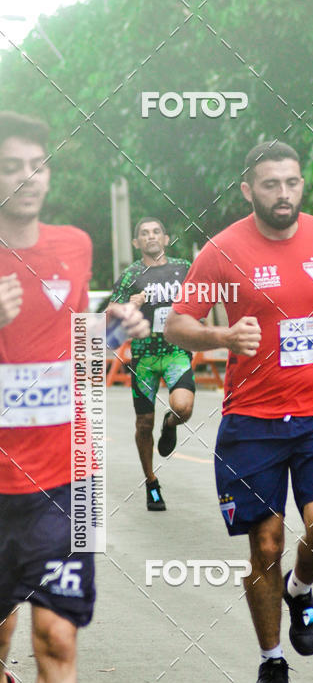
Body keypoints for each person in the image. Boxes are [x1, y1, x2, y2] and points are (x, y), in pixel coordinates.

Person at [164, 141, 313, 683]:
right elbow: (177, 325)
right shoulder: (222, 251)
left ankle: (299, 590)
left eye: (292, 182)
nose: (284, 193)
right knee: (265, 544)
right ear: (248, 190)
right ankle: (272, 662)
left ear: (303, 184)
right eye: (271, 184)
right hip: (251, 421)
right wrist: (223, 336)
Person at [0, 111, 148, 683]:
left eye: (37, 165)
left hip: (62, 480)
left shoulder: (74, 246)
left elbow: (75, 344)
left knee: (58, 637)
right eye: (10, 167)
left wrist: (115, 327)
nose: (26, 179)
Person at [109, 218, 195, 511]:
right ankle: (151, 482)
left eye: (156, 231)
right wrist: (129, 306)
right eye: (144, 233)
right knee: (144, 423)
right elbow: (110, 315)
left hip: (176, 352)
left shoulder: (184, 268)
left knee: (183, 407)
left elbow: (203, 298)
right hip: (143, 357)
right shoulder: (131, 274)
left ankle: (170, 425)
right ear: (136, 243)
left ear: (166, 238)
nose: (151, 236)